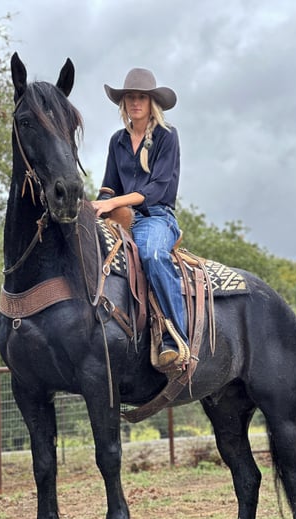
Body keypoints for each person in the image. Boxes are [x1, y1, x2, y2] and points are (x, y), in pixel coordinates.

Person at [91, 67, 187, 367]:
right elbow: (109, 185)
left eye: (141, 98)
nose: (135, 103)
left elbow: (157, 188)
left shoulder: (167, 137)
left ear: (151, 103)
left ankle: (176, 337)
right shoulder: (116, 141)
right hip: (121, 216)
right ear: (124, 103)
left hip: (157, 216)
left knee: (153, 254)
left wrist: (113, 203)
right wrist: (99, 205)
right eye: (130, 97)